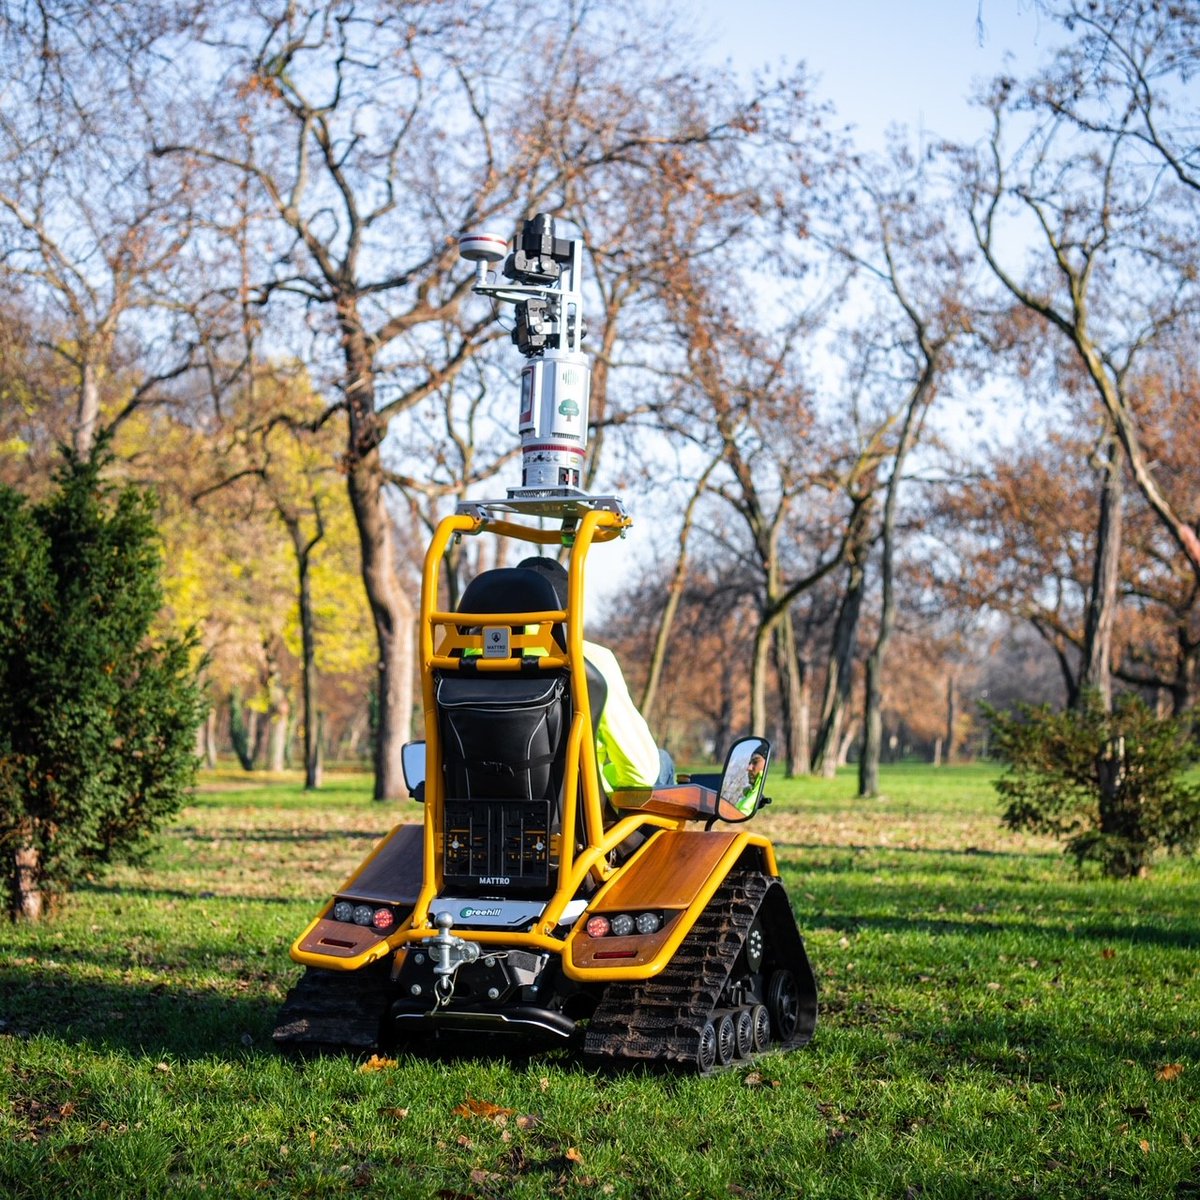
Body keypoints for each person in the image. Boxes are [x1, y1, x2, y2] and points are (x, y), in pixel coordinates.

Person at [517, 556, 675, 791]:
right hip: (571, 812)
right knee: (662, 762)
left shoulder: (461, 657)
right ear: (566, 607)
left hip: (471, 807)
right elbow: (641, 772)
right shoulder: (591, 660)